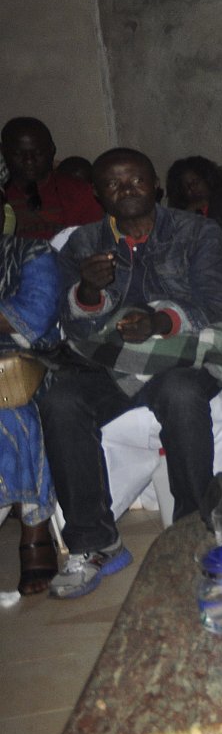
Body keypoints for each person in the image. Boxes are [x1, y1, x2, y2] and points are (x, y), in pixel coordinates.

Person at [41, 148, 222, 599]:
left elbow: (220, 301)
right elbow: (69, 323)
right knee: (61, 400)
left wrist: (160, 321)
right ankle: (95, 543)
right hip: (111, 364)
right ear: (98, 195)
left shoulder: (197, 231)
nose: (126, 189)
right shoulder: (81, 243)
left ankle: (192, 530)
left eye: (135, 179)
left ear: (156, 185)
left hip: (181, 356)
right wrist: (88, 291)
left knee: (180, 394)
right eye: (113, 183)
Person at [0, 232, 62, 594]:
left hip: (24, 370)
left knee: (13, 415)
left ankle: (34, 526)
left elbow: (36, 316)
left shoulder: (30, 252)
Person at [1, 117, 103, 239]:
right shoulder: (4, 192)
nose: (29, 161)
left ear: (51, 150)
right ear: (3, 152)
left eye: (38, 153)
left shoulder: (78, 192)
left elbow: (93, 241)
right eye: (18, 154)